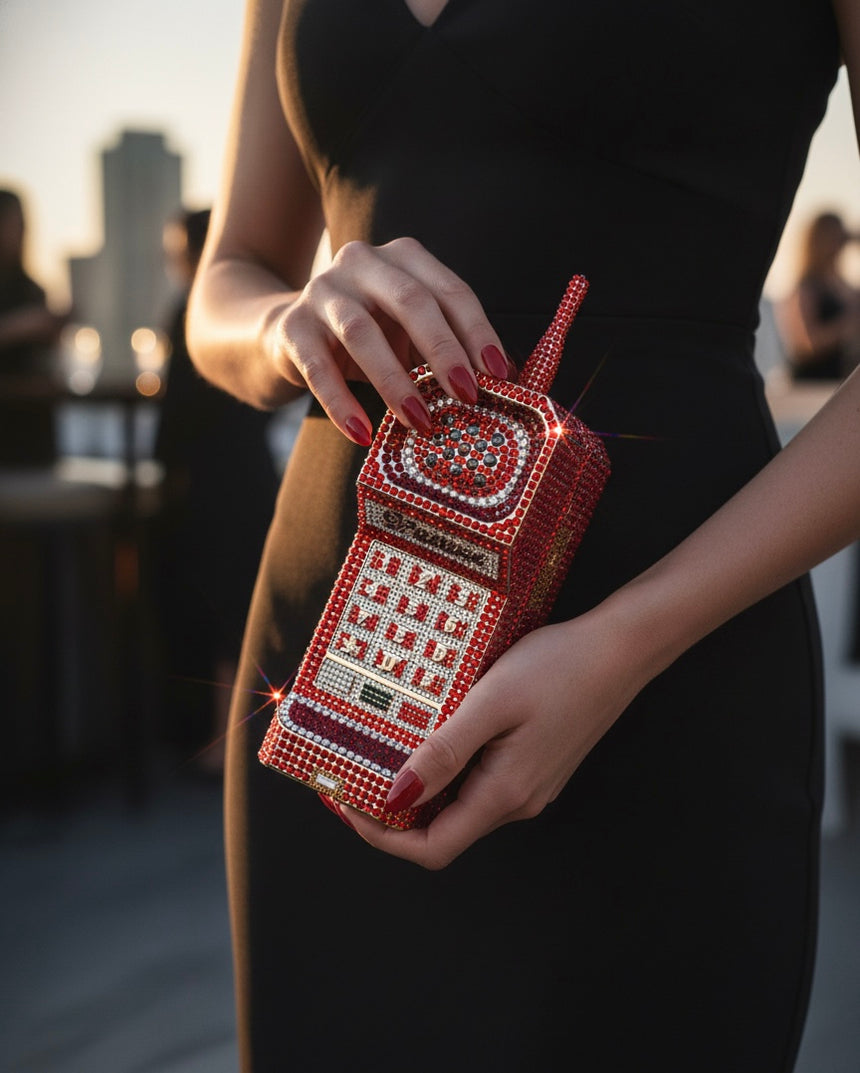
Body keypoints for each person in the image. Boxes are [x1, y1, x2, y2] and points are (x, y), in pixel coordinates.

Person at [186, 2, 860, 1070]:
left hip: (664, 664)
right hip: (337, 665)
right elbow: (228, 278)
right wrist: (285, 324)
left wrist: (625, 643)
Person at [152, 207, 279, 776]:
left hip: (209, 485)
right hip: (252, 474)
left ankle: (223, 748)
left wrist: (163, 468)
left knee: (217, 609)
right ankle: (238, 745)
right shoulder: (249, 314)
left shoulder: (193, 314)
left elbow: (175, 417)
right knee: (243, 607)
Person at [0, 187, 68, 466]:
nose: (22, 231)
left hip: (34, 428)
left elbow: (45, 361)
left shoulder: (33, 289)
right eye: (14, 223)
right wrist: (21, 326)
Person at [778, 209, 860, 381]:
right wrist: (846, 326)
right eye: (830, 237)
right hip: (811, 384)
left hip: (838, 381)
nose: (836, 245)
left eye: (840, 237)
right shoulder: (806, 287)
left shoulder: (842, 286)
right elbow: (806, 344)